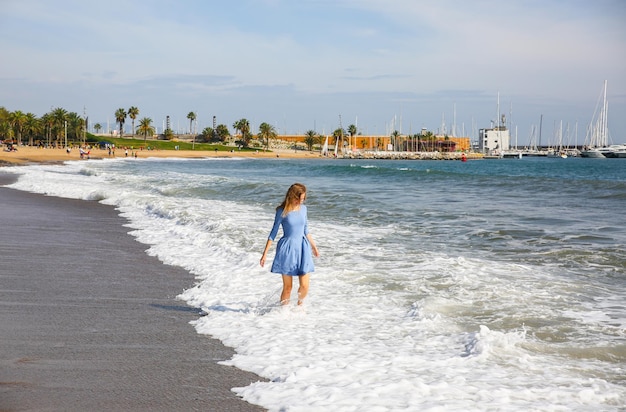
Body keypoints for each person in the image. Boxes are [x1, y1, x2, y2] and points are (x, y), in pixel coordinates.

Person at [260, 183, 319, 306]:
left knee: (305, 286)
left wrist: (313, 246)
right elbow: (273, 233)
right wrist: (264, 254)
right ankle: (284, 313)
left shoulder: (304, 209)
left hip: (303, 248)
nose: (301, 201)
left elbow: (306, 230)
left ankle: (299, 307)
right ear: (292, 196)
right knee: (288, 287)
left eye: (303, 199)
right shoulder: (282, 211)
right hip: (287, 249)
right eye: (299, 198)